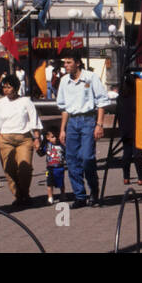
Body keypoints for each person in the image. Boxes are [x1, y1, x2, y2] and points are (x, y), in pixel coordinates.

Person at [55, 52, 109, 208]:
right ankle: (80, 196)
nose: (65, 65)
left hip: (88, 121)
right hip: (72, 122)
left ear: (77, 63)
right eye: (64, 62)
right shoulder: (64, 81)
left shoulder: (90, 78)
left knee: (87, 158)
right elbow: (64, 108)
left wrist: (99, 125)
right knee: (71, 160)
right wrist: (62, 129)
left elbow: (101, 102)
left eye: (68, 62)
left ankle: (94, 191)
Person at [0, 73, 42, 206]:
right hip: (5, 140)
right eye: (4, 87)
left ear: (16, 88)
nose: (6, 90)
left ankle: (25, 193)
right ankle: (18, 196)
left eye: (9, 87)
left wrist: (36, 138)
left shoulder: (26, 101)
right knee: (9, 169)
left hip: (24, 139)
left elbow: (34, 120)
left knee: (25, 168)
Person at [114, 74, 142, 186]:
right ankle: (141, 178)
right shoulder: (138, 96)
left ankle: (126, 177)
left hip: (124, 127)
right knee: (138, 153)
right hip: (136, 127)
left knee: (126, 153)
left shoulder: (120, 97)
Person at [42, 130, 67, 204]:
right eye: (52, 137)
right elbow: (41, 151)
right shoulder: (46, 145)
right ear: (47, 138)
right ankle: (50, 197)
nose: (55, 138)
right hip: (49, 168)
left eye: (56, 136)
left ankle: (63, 195)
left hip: (60, 167)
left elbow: (66, 154)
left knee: (61, 183)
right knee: (49, 183)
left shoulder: (61, 146)